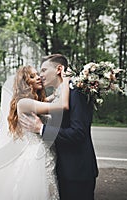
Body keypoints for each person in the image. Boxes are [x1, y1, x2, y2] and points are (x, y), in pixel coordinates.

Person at [0, 65, 70, 200]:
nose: (38, 77)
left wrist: (59, 85)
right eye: (32, 76)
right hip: (35, 159)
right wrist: (66, 81)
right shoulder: (24, 103)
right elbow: (63, 105)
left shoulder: (34, 101)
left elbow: (52, 98)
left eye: (37, 74)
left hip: (45, 154)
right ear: (25, 83)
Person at [20, 54, 99, 200]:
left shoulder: (76, 92)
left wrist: (41, 129)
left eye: (43, 70)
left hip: (77, 171)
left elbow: (78, 133)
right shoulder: (58, 94)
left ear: (59, 69)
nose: (41, 75)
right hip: (61, 169)